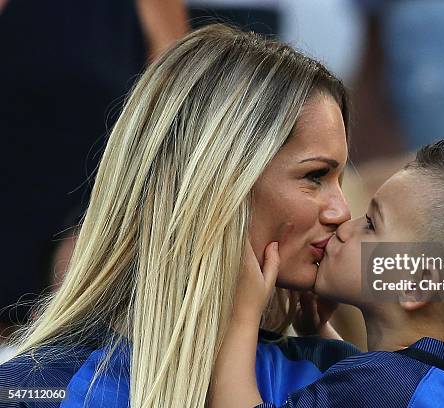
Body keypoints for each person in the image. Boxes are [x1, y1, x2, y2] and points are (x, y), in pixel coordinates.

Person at [0, 24, 354, 407]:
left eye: (338, 179)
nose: (342, 211)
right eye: (315, 176)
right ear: (216, 183)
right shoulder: (32, 390)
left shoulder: (334, 379)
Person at [211, 139, 444, 407]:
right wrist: (320, 335)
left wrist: (243, 315)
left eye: (371, 225)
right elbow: (359, 381)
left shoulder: (384, 387)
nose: (345, 223)